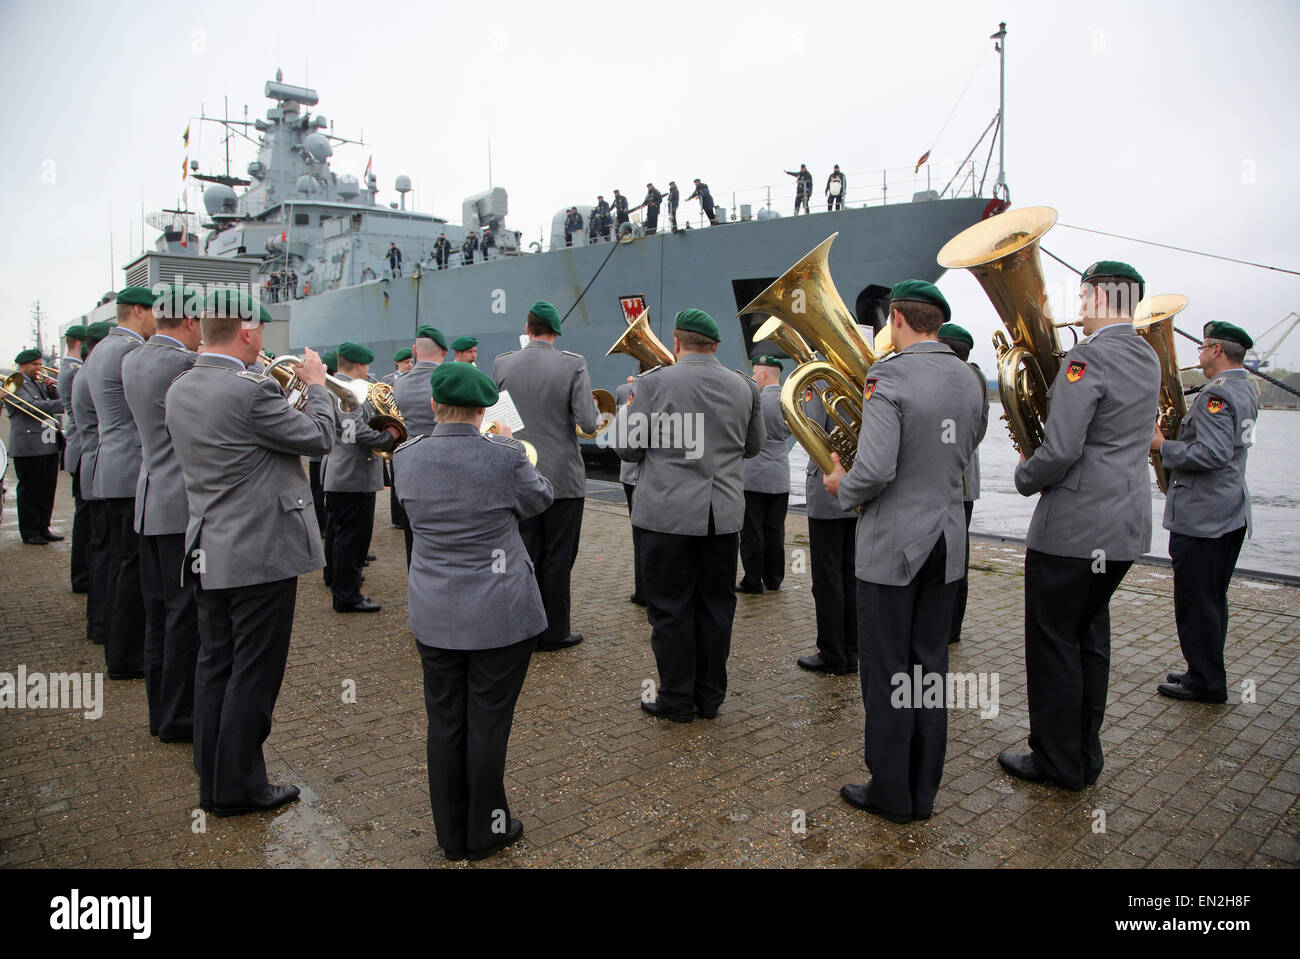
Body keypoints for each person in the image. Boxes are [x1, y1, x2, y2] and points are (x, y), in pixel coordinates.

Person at [166, 290, 334, 816]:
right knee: (253, 674)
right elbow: (319, 438)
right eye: (259, 329)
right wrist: (317, 387)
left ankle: (214, 777)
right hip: (258, 552)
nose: (263, 338)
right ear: (245, 332)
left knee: (215, 664)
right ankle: (240, 788)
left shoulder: (181, 385)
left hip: (208, 546)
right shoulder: (250, 390)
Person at [824, 281, 987, 823]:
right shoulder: (968, 378)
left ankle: (890, 793)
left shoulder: (888, 374)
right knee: (927, 671)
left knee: (889, 672)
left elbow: (875, 469)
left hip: (895, 547)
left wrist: (840, 487)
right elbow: (967, 445)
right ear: (936, 322)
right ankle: (922, 792)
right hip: (948, 542)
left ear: (896, 318)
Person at [997, 261, 1159, 791]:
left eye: (1084, 295)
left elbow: (1062, 448)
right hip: (1125, 525)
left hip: (1075, 527)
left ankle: (1056, 762)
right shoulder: (1147, 354)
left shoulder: (1088, 356)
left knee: (1053, 644)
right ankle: (1085, 755)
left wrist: (1025, 474)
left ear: (1096, 295)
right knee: (1089, 639)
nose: (1080, 304)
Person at [395, 362, 553, 862]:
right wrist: (506, 444)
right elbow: (541, 498)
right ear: (484, 409)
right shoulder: (503, 456)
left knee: (444, 720)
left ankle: (451, 833)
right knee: (488, 722)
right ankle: (486, 829)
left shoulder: (405, 456)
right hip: (499, 611)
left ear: (435, 405)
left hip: (434, 609)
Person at [613, 309, 763, 721]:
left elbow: (627, 449)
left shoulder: (652, 384)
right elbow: (753, 447)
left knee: (669, 608)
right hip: (722, 517)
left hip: (666, 516)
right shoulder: (745, 387)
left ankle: (676, 699)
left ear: (676, 343)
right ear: (716, 346)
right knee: (716, 606)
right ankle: (710, 697)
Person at [1152, 320, 1257, 704]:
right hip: (1228, 510)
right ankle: (1203, 670)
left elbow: (1212, 454)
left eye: (1201, 348)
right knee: (1211, 598)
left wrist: (1163, 445)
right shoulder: (1243, 387)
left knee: (1196, 600)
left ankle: (1207, 681)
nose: (1197, 355)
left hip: (1205, 517)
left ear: (1215, 350)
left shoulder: (1218, 396)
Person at [492, 301, 599, 651]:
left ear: (528, 327)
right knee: (558, 557)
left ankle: (521, 626)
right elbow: (587, 423)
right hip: (561, 478)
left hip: (517, 472)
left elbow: (496, 421)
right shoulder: (573, 363)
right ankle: (554, 632)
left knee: (524, 553)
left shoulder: (502, 363)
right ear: (555, 332)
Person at [122, 284, 202, 741]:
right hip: (179, 509)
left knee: (158, 614)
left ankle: (161, 711)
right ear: (191, 322)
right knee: (182, 617)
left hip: (149, 499)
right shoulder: (184, 364)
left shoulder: (133, 358)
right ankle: (178, 718)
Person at [84, 285, 157, 681]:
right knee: (132, 568)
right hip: (130, 468)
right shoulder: (130, 351)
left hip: (111, 466)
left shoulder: (102, 350)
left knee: (118, 564)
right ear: (140, 312)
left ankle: (115, 642)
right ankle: (127, 655)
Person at [323, 342, 402, 612]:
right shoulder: (349, 390)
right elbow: (353, 430)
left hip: (342, 475)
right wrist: (387, 437)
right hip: (353, 477)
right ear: (358, 365)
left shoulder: (335, 387)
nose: (369, 371)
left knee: (340, 535)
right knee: (353, 540)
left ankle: (339, 582)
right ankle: (348, 596)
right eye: (366, 365)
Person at [795, 383, 860, 675]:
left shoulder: (818, 382)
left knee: (828, 577)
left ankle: (833, 653)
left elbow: (808, 429)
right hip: (858, 487)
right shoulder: (861, 376)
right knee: (850, 574)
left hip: (828, 488)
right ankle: (851, 650)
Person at [936, 322, 988, 644]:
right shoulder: (975, 378)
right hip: (962, 486)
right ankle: (950, 626)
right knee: (957, 557)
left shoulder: (960, 380)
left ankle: (948, 626)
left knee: (952, 559)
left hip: (956, 484)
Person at [72, 321, 114, 644]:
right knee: (104, 552)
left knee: (101, 549)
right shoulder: (93, 375)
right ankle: (101, 624)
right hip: (101, 469)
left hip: (95, 467)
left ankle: (99, 621)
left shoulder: (86, 373)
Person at [393, 326, 448, 565]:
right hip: (444, 468)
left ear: (415, 350)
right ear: (445, 352)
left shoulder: (400, 384)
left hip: (409, 468)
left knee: (412, 537)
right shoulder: (447, 380)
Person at [738, 355, 791, 593]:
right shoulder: (790, 398)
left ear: (764, 374)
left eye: (755, 373)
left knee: (752, 531)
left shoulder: (756, 399)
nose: (753, 377)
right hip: (780, 476)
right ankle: (774, 578)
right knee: (775, 529)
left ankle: (752, 579)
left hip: (755, 475)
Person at [5, 348, 64, 545]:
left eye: (40, 364)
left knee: (47, 487)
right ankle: (30, 531)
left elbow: (46, 401)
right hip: (29, 444)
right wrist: (59, 403)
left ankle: (43, 526)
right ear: (23, 365)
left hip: (46, 442)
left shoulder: (37, 382)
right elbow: (31, 406)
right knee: (30, 489)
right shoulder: (15, 383)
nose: (39, 368)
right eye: (35, 365)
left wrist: (51, 390)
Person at [58, 325, 89, 589]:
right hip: (82, 450)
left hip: (78, 449)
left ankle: (82, 575)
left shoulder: (72, 370)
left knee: (84, 518)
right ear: (80, 343)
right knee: (84, 520)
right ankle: (81, 577)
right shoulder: (74, 371)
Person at [615, 375, 645, 606]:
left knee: (639, 535)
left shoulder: (624, 390)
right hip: (648, 474)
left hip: (630, 474)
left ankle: (642, 590)